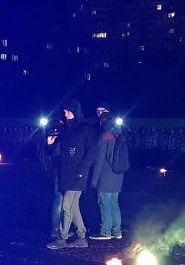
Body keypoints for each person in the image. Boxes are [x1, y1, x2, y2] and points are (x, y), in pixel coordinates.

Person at [46, 100, 96, 249]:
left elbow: (92, 152)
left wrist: (82, 169)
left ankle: (62, 238)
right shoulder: (66, 129)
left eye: (67, 111)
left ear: (74, 111)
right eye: (64, 111)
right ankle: (81, 237)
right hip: (65, 174)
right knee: (73, 208)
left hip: (77, 175)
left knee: (67, 207)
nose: (65, 113)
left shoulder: (85, 129)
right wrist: (50, 145)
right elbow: (59, 153)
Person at [89, 111, 128, 241]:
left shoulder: (104, 136)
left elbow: (100, 160)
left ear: (102, 122)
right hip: (118, 176)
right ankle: (117, 231)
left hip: (106, 177)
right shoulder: (119, 135)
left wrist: (94, 179)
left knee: (104, 204)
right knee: (114, 204)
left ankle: (105, 232)